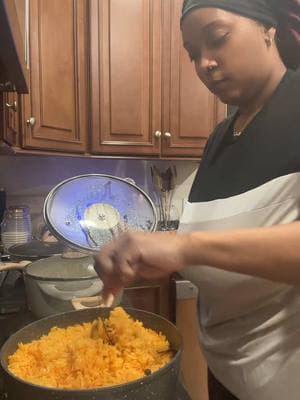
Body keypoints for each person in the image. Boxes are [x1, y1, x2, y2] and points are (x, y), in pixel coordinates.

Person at [95, 1, 300, 399]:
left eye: (217, 39)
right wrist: (154, 260)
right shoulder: (219, 138)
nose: (204, 63)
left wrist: (185, 247)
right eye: (192, 53)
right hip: (224, 375)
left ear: (267, 29)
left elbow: (198, 246)